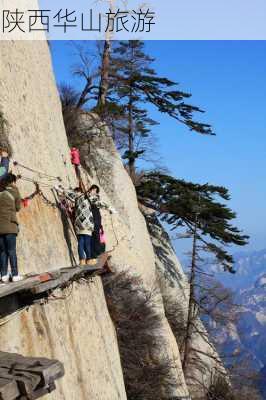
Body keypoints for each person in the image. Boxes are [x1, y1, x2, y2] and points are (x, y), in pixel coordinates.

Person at [57, 185, 115, 266]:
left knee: (81, 242)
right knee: (87, 242)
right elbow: (99, 203)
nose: (93, 192)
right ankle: (89, 259)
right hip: (87, 223)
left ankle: (82, 260)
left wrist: (60, 189)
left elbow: (69, 193)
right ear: (91, 190)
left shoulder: (78, 196)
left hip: (78, 222)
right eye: (93, 190)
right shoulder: (89, 197)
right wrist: (109, 208)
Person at [0, 173, 23, 283]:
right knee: (11, 251)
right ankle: (15, 274)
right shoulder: (15, 191)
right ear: (13, 181)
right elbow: (18, 207)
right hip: (10, 225)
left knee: (2, 252)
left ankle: (3, 275)